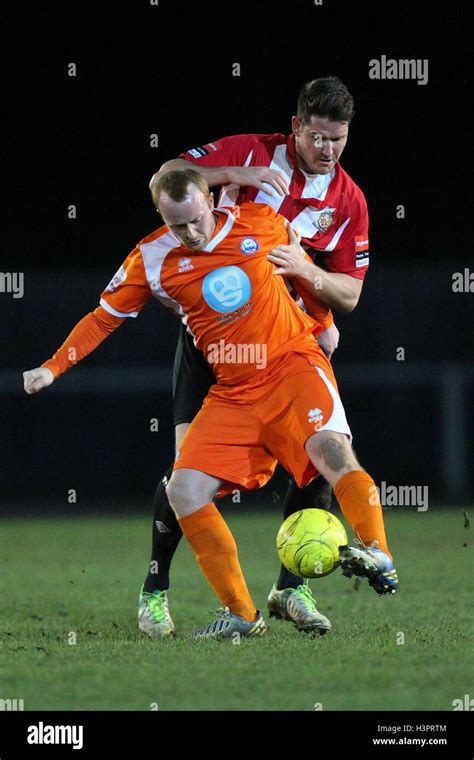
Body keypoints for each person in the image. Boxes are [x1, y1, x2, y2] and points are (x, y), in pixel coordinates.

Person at [23, 170, 398, 641]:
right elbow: (103, 319)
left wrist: (321, 321)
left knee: (330, 452)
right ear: (162, 216)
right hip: (232, 390)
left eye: (197, 220)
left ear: (211, 201)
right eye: (178, 226)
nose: (192, 233)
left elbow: (299, 272)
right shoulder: (152, 257)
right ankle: (241, 614)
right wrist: (52, 368)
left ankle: (376, 549)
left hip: (291, 365)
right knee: (183, 490)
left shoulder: (260, 221)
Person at [139, 76, 371, 637]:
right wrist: (240, 176)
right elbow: (164, 174)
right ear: (296, 126)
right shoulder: (252, 151)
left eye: (337, 139)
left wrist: (308, 274)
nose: (327, 149)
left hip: (282, 341)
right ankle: (154, 594)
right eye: (317, 137)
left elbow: (350, 291)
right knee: (183, 476)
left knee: (323, 456)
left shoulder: (347, 199)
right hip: (212, 341)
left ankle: (290, 590)